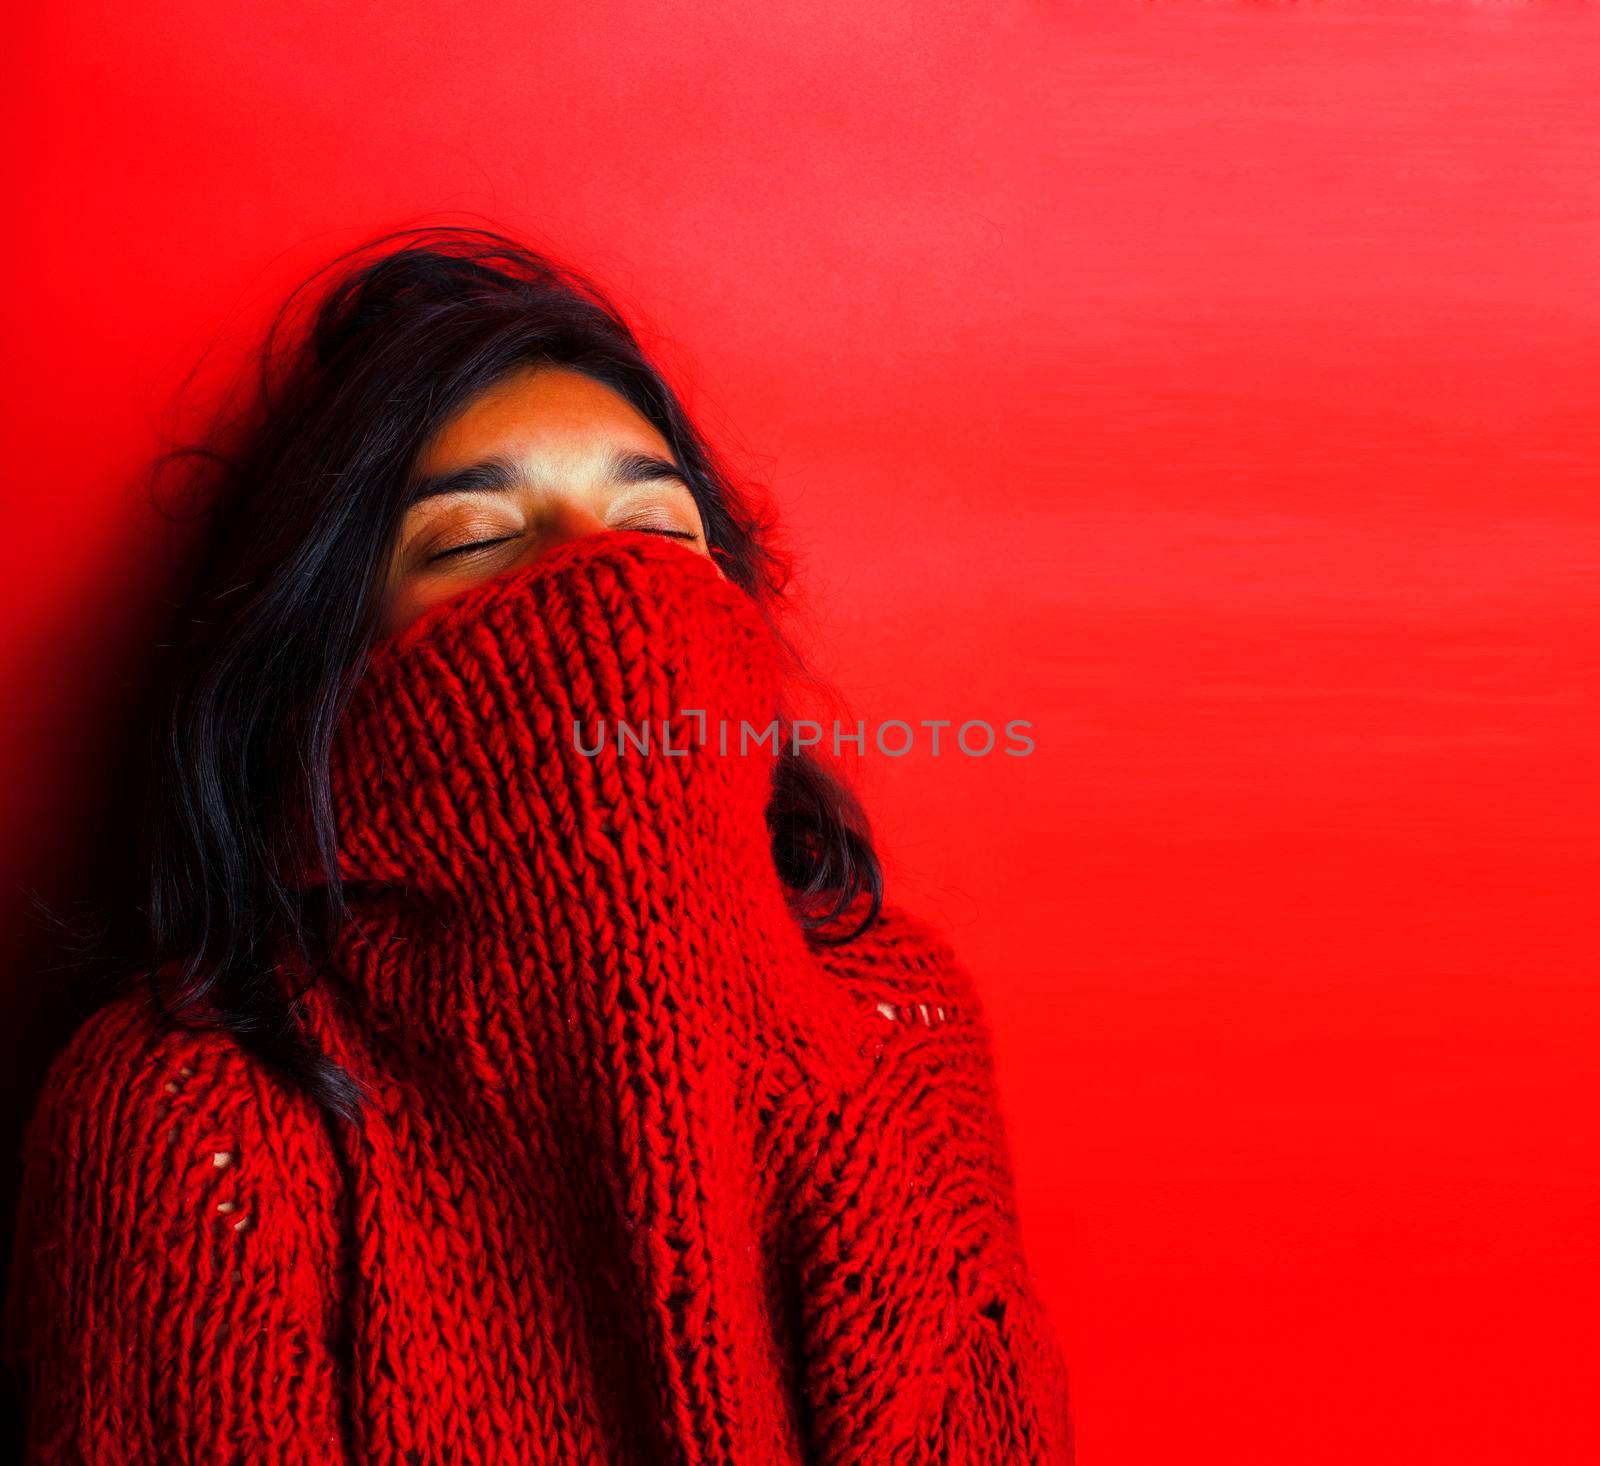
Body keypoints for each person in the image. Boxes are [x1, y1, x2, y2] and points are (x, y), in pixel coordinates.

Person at [4, 226, 1074, 1463]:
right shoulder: (192, 1118)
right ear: (324, 664)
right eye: (471, 542)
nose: (599, 585)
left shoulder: (901, 1028)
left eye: (656, 536)